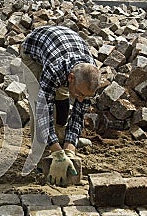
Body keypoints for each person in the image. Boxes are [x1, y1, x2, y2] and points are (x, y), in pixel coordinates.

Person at [20, 26, 101, 186]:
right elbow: (43, 113)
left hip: (63, 48)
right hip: (33, 51)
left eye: (85, 96)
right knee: (39, 106)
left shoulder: (88, 77)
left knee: (63, 104)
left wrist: (70, 148)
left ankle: (62, 140)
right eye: (79, 93)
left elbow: (78, 115)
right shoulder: (54, 70)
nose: (81, 99)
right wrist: (57, 153)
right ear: (70, 78)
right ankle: (42, 156)